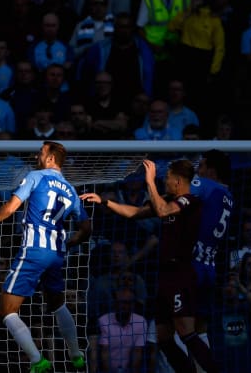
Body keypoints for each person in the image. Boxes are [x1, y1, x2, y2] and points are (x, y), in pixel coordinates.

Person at [81, 159, 220, 373]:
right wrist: (105, 202)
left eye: (167, 178)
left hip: (181, 274)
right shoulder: (165, 200)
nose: (164, 181)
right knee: (163, 336)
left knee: (185, 331)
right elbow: (135, 213)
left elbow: (164, 211)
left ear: (178, 181)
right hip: (163, 275)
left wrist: (149, 182)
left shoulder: (190, 200)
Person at [0, 141, 91, 372]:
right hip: (56, 253)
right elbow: (86, 228)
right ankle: (76, 354)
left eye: (41, 153)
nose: (36, 156)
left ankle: (37, 360)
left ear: (51, 158)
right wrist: (71, 241)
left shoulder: (36, 176)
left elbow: (11, 207)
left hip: (34, 251)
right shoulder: (71, 190)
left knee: (7, 310)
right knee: (57, 303)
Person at [190, 149, 233, 347]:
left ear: (212, 171)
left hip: (191, 265)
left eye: (201, 166)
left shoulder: (205, 184)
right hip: (210, 267)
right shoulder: (229, 196)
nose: (197, 171)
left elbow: (176, 197)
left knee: (181, 326)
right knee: (201, 328)